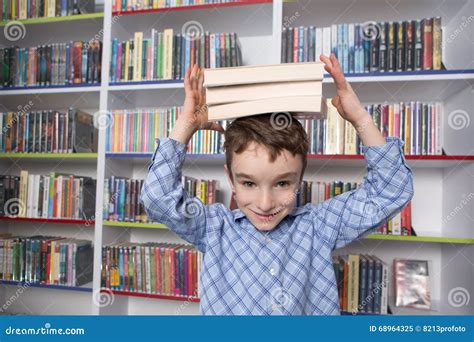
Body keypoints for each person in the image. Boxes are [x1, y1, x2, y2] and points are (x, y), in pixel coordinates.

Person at [140, 54, 414, 315]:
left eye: (282, 183)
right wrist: (186, 124)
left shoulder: (318, 227)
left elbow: (390, 191)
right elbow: (158, 197)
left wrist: (361, 119)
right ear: (230, 178)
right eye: (248, 183)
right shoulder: (213, 228)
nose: (265, 203)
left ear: (300, 177)